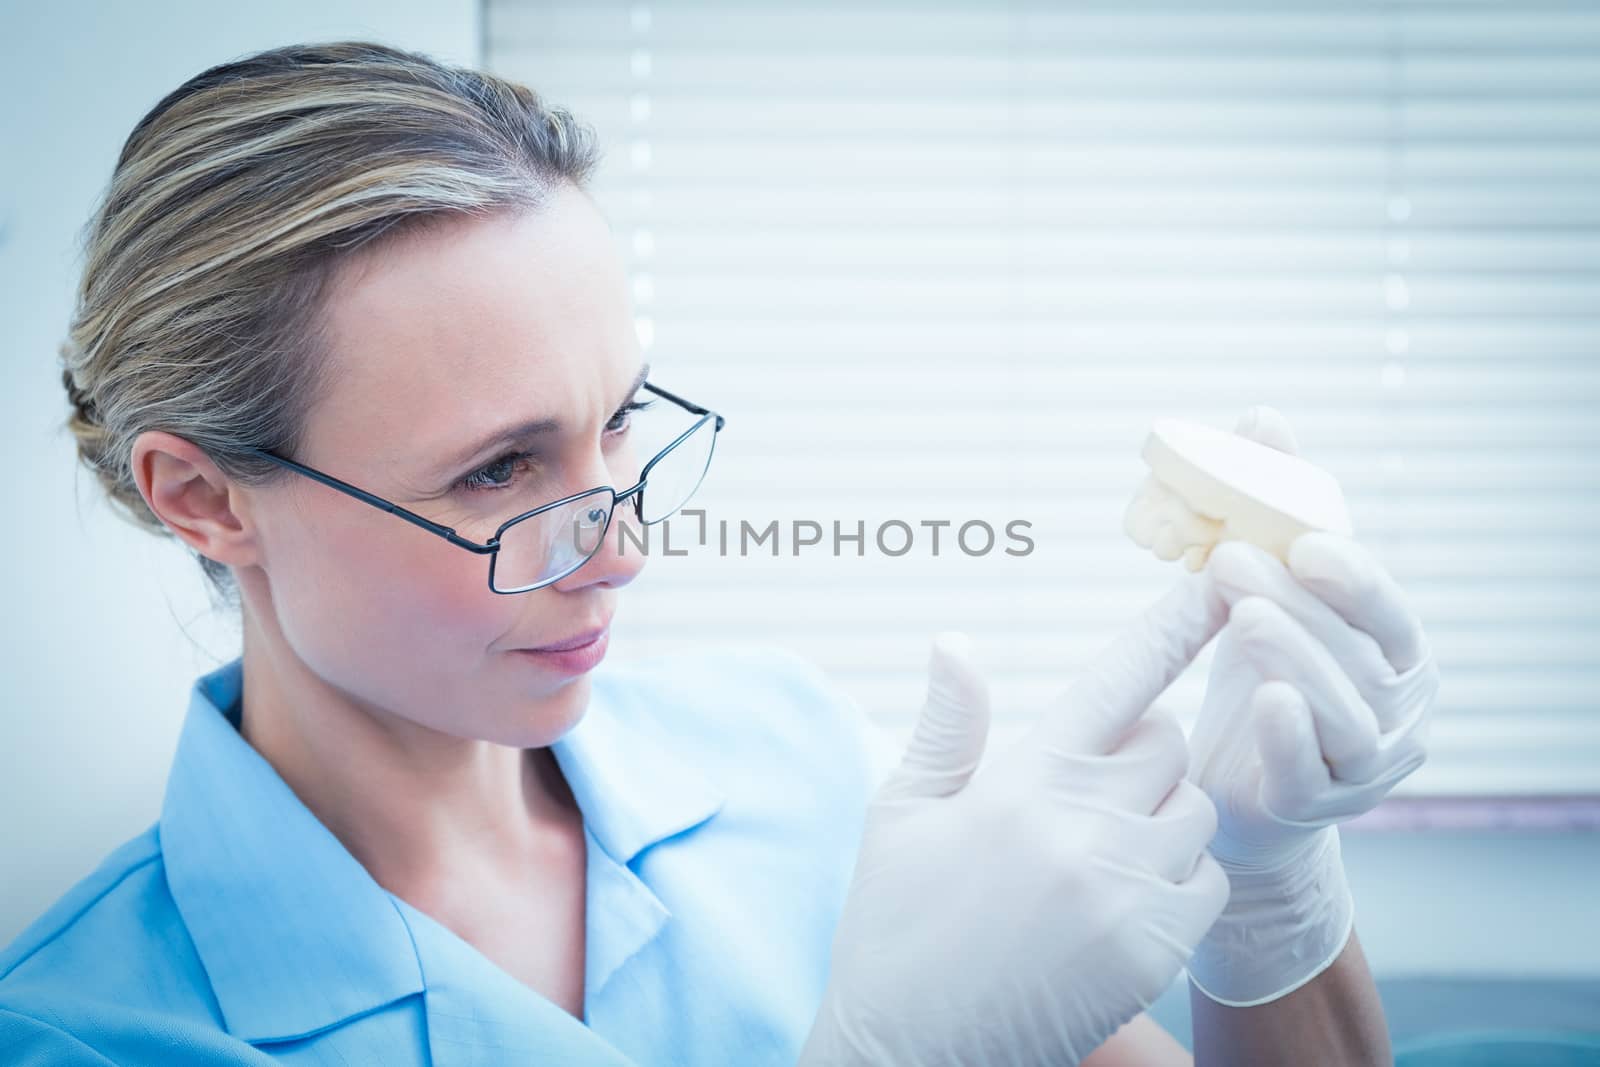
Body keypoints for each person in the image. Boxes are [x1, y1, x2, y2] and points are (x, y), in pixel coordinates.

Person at [0, 41, 1438, 1065]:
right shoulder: (86, 1032)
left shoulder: (794, 759)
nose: (621, 546)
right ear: (203, 497)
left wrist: (1272, 892)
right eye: (501, 469)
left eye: (620, 423)